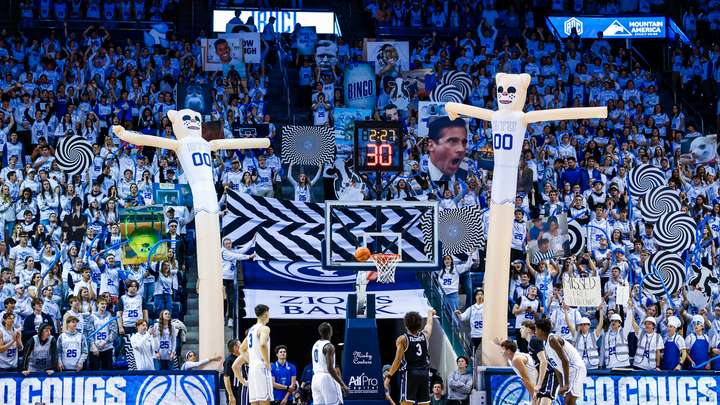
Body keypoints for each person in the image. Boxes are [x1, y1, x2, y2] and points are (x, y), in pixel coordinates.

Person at [384, 309, 436, 405]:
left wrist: (389, 376)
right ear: (420, 324)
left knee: (406, 403)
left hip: (410, 374)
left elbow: (397, 360)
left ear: (406, 324)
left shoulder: (403, 339)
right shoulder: (425, 335)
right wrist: (430, 313)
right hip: (424, 374)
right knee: (424, 403)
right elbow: (429, 324)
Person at [535, 318, 586, 405]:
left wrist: (566, 384)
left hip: (575, 367)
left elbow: (565, 360)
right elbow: (556, 367)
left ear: (541, 330)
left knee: (569, 400)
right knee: (568, 400)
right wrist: (562, 385)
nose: (535, 332)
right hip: (567, 371)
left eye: (536, 329)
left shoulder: (552, 339)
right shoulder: (545, 344)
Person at [237, 304, 273, 405]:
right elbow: (262, 344)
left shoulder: (251, 330)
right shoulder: (264, 328)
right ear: (266, 314)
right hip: (261, 367)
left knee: (255, 401)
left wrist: (251, 361)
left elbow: (242, 349)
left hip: (252, 368)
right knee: (265, 400)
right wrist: (267, 362)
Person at [311, 322, 349, 405]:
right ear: (330, 332)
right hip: (326, 378)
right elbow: (330, 368)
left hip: (315, 379)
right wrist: (343, 385)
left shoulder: (315, 344)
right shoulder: (329, 346)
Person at [427, 117, 468, 182]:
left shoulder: (466, 175)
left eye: (464, 142)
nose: (462, 149)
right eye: (452, 141)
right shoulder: (417, 173)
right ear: (431, 145)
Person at [455, 288, 483, 364]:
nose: (480, 296)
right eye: (478, 294)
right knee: (470, 353)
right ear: (475, 296)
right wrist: (458, 313)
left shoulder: (486, 308)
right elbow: (462, 317)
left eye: (481, 294)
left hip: (484, 335)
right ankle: (470, 365)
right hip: (475, 334)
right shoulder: (471, 308)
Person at [226, 338, 244, 405]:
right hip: (234, 391)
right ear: (235, 347)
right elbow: (226, 378)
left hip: (241, 389)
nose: (242, 346)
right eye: (240, 344)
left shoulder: (242, 358)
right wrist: (230, 395)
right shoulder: (229, 360)